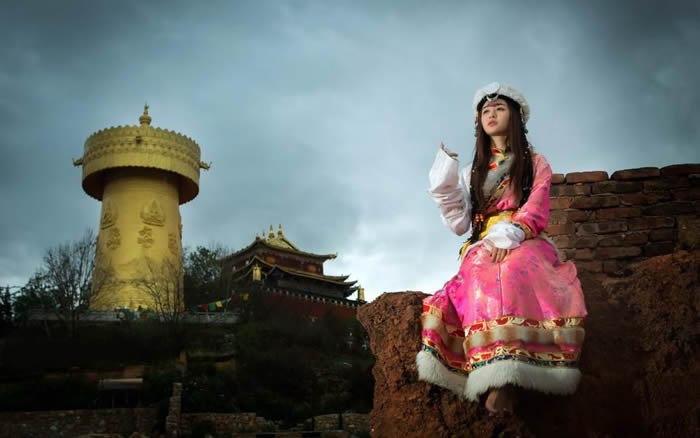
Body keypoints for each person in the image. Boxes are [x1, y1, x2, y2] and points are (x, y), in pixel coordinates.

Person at [416, 82, 587, 415]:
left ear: (516, 116)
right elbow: (460, 224)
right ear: (478, 121)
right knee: (481, 271)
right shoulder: (472, 172)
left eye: (499, 108)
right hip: (482, 242)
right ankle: (493, 373)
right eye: (485, 110)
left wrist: (510, 234)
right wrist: (446, 183)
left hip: (524, 238)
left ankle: (510, 379)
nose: (491, 114)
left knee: (513, 269)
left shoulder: (535, 163)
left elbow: (536, 209)